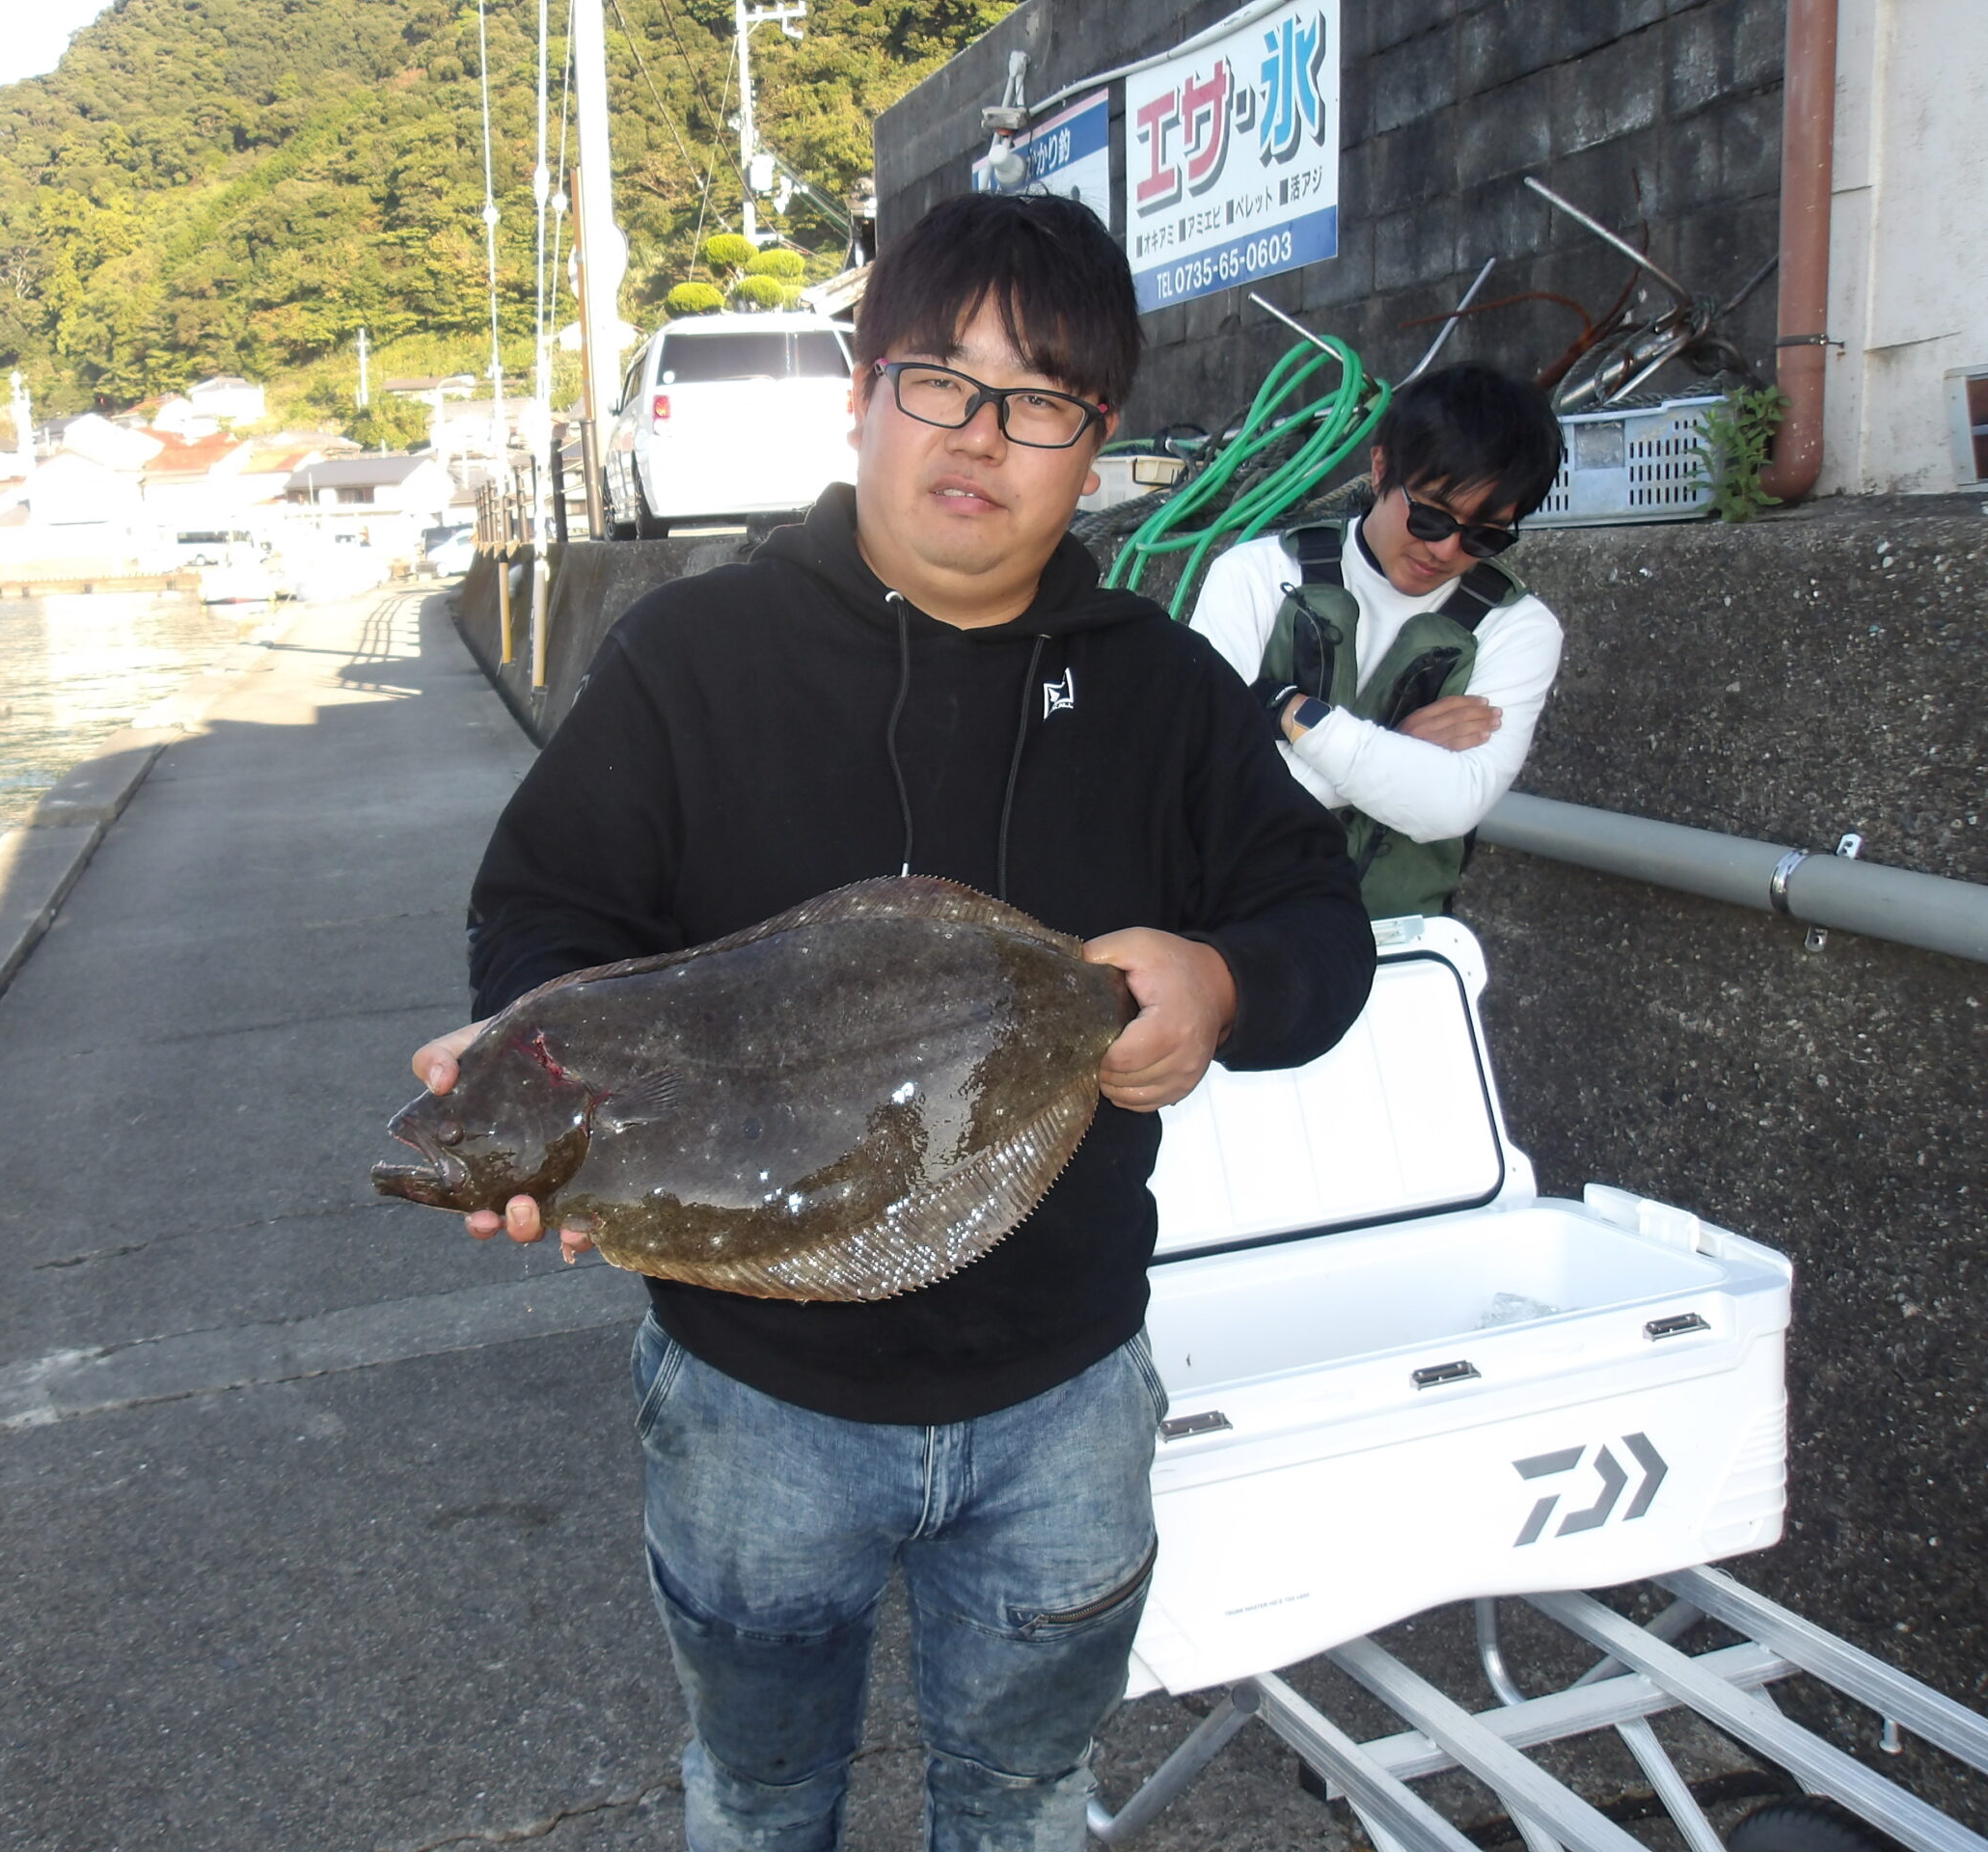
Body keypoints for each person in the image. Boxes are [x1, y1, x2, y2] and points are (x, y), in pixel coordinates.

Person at [407, 192, 1375, 1851]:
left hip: (1068, 1392)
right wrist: (530, 1048)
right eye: (939, 380)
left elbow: (1319, 928)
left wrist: (1223, 986)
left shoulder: (1159, 689)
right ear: (863, 392)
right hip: (751, 1397)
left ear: (1099, 444)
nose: (981, 437)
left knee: (1021, 1802)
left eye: (1041, 402)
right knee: (760, 1794)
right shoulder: (689, 661)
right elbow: (548, 909)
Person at [1186, 364, 1566, 920]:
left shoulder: (1521, 630)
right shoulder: (1253, 575)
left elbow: (1451, 804)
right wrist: (1395, 742)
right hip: (1225, 927)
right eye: (1433, 517)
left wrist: (1288, 712)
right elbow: (1209, 794)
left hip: (1396, 948)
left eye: (1485, 536)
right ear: (1381, 464)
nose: (1446, 551)